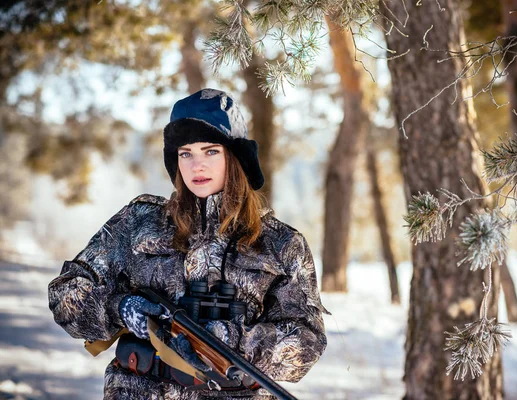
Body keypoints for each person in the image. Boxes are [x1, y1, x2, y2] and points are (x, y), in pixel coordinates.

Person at [48, 89, 328, 399]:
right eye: (186, 153)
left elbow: (308, 342)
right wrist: (121, 308)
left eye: (210, 151)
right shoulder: (139, 220)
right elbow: (66, 292)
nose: (197, 165)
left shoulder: (282, 244)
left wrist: (231, 339)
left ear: (234, 157)